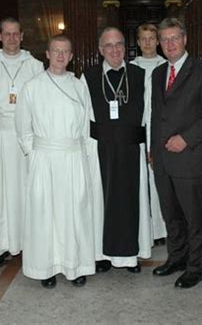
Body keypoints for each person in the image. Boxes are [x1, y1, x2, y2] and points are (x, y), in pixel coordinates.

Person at [15, 35, 95, 288]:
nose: (61, 56)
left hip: (73, 157)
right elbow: (22, 126)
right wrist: (35, 152)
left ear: (71, 56)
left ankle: (75, 265)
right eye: (56, 51)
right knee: (45, 213)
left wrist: (84, 155)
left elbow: (86, 124)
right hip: (45, 159)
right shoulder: (32, 86)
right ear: (47, 54)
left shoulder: (79, 85)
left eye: (66, 51)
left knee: (74, 212)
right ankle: (45, 267)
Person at [151, 18, 202, 288]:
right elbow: (157, 115)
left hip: (191, 157)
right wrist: (153, 151)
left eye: (174, 38)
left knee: (194, 217)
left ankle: (195, 267)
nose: (169, 43)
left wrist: (186, 139)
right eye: (165, 39)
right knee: (171, 215)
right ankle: (176, 258)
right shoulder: (158, 73)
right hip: (162, 159)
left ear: (184, 40)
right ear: (160, 43)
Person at [81, 27, 151, 273]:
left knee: (133, 201)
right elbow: (83, 117)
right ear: (100, 50)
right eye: (108, 45)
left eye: (119, 44)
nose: (114, 50)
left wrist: (150, 147)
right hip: (101, 149)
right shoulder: (87, 77)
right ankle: (101, 255)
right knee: (102, 201)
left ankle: (131, 256)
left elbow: (150, 115)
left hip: (132, 148)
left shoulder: (140, 75)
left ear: (126, 47)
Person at [0, 17, 44, 267]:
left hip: (25, 139)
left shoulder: (35, 65)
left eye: (16, 34)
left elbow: (40, 105)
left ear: (22, 36)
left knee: (26, 190)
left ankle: (28, 243)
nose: (12, 39)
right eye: (7, 34)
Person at [130, 23, 167, 245]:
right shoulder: (131, 67)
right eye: (143, 38)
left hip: (160, 130)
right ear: (137, 41)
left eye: (152, 38)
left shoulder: (166, 65)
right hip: (138, 129)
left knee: (159, 181)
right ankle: (144, 228)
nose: (147, 43)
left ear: (158, 41)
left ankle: (161, 229)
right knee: (141, 181)